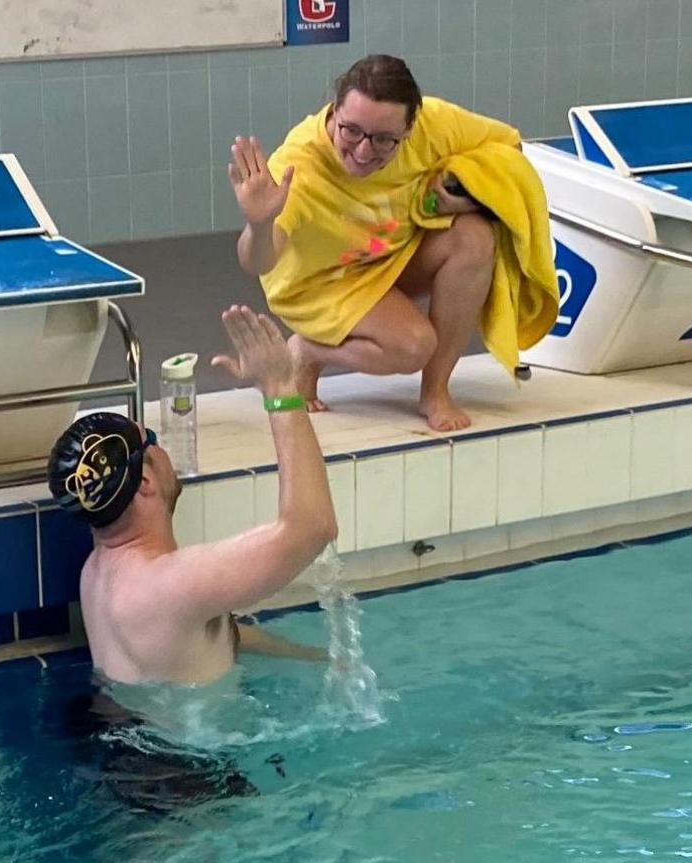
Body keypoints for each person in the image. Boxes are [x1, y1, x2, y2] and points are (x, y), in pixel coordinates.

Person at [229, 53, 559, 432]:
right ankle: (306, 350)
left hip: (393, 257)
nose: (363, 151)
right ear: (334, 112)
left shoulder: (434, 125)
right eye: (350, 131)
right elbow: (257, 262)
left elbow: (510, 148)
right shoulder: (299, 165)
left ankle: (435, 393)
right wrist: (259, 223)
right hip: (320, 286)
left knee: (474, 237)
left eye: (384, 139)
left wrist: (469, 198)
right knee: (413, 346)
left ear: (410, 128)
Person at [47, 305, 337, 686]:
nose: (162, 445)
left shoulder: (99, 575)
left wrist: (309, 658)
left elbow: (217, 631)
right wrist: (280, 388)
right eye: (151, 441)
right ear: (145, 482)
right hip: (199, 748)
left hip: (141, 732)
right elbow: (313, 527)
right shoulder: (173, 584)